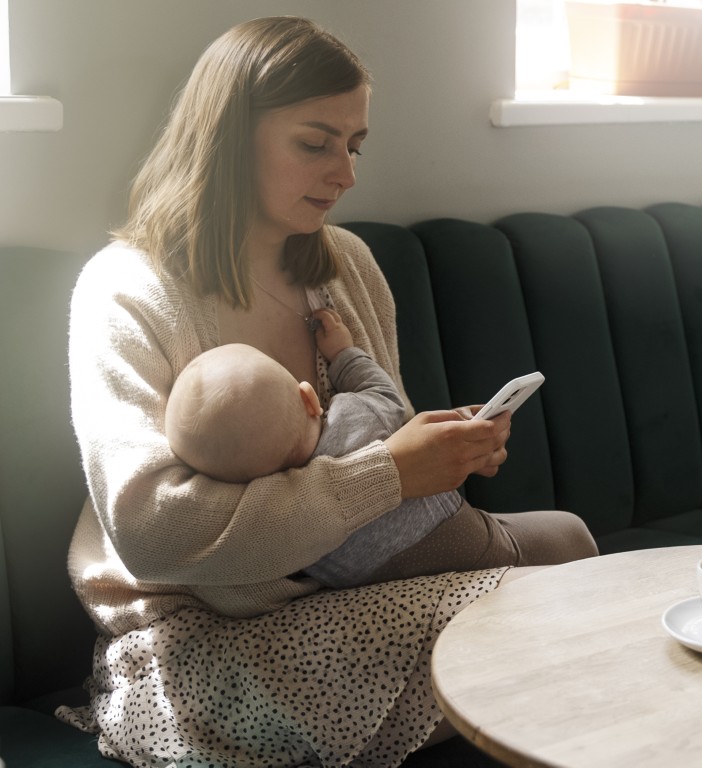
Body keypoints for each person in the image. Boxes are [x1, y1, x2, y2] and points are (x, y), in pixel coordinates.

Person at [59, 15, 598, 768]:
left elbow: (378, 437)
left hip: (365, 584)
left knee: (578, 566)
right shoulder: (128, 293)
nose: (345, 173)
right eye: (315, 143)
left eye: (354, 145)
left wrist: (445, 450)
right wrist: (392, 475)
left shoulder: (346, 267)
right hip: (212, 641)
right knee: (560, 613)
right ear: (226, 137)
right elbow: (152, 532)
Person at [165, 308, 481, 588]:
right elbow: (385, 394)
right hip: (464, 539)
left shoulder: (288, 519)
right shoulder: (356, 413)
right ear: (309, 398)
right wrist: (343, 353)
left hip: (390, 594)